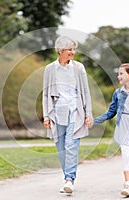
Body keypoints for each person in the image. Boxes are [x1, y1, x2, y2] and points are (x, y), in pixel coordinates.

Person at [42, 36, 93, 195]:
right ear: (60, 51)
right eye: (69, 49)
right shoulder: (50, 69)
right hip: (57, 112)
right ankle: (67, 176)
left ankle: (69, 180)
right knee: (61, 148)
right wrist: (46, 116)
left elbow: (85, 91)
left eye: (73, 49)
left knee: (71, 146)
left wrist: (88, 113)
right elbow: (45, 94)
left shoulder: (79, 68)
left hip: (75, 111)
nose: (73, 52)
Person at [94, 63, 129, 197]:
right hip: (122, 127)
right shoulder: (118, 93)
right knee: (126, 155)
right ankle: (128, 183)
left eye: (121, 74)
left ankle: (128, 182)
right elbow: (110, 112)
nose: (118, 76)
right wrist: (95, 121)